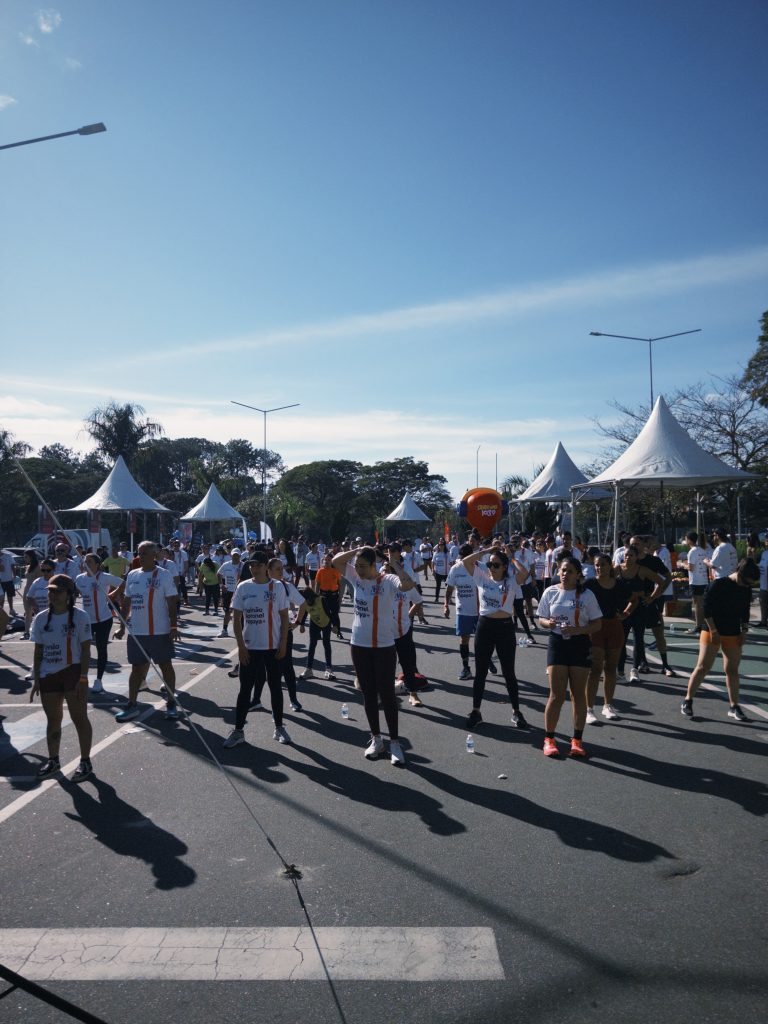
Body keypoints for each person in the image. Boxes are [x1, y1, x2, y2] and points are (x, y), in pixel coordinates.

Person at [332, 546, 418, 766]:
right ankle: (376, 739)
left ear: (374, 565)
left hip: (384, 646)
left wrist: (394, 562)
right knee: (368, 694)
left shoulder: (387, 580)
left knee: (387, 695)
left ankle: (395, 743)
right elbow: (336, 561)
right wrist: (357, 550)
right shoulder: (356, 578)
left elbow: (407, 585)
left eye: (363, 566)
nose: (359, 570)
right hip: (359, 645)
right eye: (357, 566)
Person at [536, 556, 603, 757]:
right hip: (557, 644)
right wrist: (549, 624)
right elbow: (541, 619)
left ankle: (577, 741)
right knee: (556, 695)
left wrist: (578, 630)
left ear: (578, 575)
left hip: (579, 645)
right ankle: (549, 739)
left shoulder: (587, 595)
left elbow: (597, 624)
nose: (565, 574)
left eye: (570, 571)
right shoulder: (550, 591)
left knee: (577, 695)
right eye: (563, 570)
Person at [29, 574, 94, 782]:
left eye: (58, 591)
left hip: (72, 672)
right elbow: (38, 650)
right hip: (48, 675)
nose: (53, 595)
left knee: (79, 718)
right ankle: (53, 759)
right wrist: (36, 677)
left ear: (69, 594)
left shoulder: (80, 616)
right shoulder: (41, 618)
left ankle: (85, 761)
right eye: (50, 591)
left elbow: (86, 650)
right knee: (53, 720)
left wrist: (83, 678)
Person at [224, 551, 290, 747]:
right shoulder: (243, 587)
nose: (254, 568)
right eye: (252, 565)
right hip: (250, 647)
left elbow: (284, 616)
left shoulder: (277, 586)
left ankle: (279, 727)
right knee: (245, 689)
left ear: (266, 566)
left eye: (258, 565)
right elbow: (236, 618)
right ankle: (238, 731)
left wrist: (284, 642)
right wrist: (240, 647)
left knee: (275, 687)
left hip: (273, 647)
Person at [681, 559, 760, 722]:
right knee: (703, 667)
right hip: (711, 629)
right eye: (746, 582)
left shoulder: (745, 589)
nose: (747, 586)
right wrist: (714, 631)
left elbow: (745, 611)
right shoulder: (718, 584)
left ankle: (734, 706)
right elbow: (706, 609)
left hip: (733, 631)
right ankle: (688, 700)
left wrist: (744, 630)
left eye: (750, 584)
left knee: (732, 669)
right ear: (739, 573)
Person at [461, 546, 530, 730]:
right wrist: (487, 550)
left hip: (505, 628)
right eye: (490, 564)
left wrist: (511, 557)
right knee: (480, 672)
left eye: (496, 565)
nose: (492, 568)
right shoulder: (481, 577)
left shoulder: (512, 581)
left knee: (509, 673)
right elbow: (466, 561)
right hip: (485, 627)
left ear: (505, 566)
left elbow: (525, 572)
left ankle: (516, 712)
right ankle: (476, 712)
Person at [115, 541, 180, 722]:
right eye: (139, 553)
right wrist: (122, 627)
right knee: (136, 668)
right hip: (137, 631)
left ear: (154, 555)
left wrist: (173, 627)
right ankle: (132, 704)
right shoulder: (132, 575)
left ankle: (171, 702)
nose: (140, 557)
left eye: (144, 553)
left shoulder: (164, 574)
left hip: (160, 631)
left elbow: (172, 603)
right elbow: (127, 602)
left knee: (165, 665)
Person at [585, 554, 638, 722]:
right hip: (595, 628)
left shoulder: (619, 584)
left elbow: (634, 599)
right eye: (597, 565)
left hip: (615, 627)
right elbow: (578, 600)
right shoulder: (589, 584)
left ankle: (607, 706)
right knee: (595, 669)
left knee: (611, 668)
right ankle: (589, 709)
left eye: (603, 564)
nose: (599, 568)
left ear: (610, 566)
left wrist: (626, 613)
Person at [75, 554, 124, 693]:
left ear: (97, 564)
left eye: (90, 562)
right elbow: (76, 592)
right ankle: (82, 678)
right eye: (85, 562)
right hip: (87, 621)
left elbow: (123, 583)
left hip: (104, 620)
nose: (86, 564)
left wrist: (113, 595)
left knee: (101, 649)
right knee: (82, 650)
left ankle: (99, 680)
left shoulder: (104, 577)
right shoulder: (79, 579)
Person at [386, 543, 428, 707]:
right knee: (386, 665)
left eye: (388, 571)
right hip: (384, 633)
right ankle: (387, 694)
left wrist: (409, 616)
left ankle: (413, 694)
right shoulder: (381, 586)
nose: (386, 574)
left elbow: (418, 601)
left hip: (403, 630)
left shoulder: (406, 585)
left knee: (408, 664)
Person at [268, 557, 307, 711]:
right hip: (266, 634)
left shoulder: (286, 586)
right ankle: (260, 701)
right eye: (277, 569)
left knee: (287, 667)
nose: (281, 571)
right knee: (269, 671)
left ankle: (293, 700)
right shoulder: (261, 586)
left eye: (282, 568)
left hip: (284, 632)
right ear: (268, 571)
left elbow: (303, 603)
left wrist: (297, 622)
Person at [297, 589, 336, 680]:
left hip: (326, 622)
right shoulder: (305, 603)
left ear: (309, 598)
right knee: (312, 645)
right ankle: (308, 669)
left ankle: (329, 669)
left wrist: (335, 625)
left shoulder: (321, 600)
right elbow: (305, 612)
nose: (303, 603)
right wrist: (302, 625)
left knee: (326, 644)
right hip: (314, 623)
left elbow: (330, 612)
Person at [679, 532, 711, 632]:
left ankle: (698, 626)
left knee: (697, 604)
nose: (685, 541)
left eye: (686, 539)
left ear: (689, 540)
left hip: (696, 581)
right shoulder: (702, 550)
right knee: (701, 604)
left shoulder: (692, 552)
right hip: (704, 580)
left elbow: (691, 568)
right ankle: (704, 625)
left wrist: (682, 564)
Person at [315, 553, 344, 639]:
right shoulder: (320, 571)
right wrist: (316, 596)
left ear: (332, 561)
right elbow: (318, 584)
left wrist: (340, 597)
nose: (327, 561)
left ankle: (338, 631)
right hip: (324, 596)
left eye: (328, 560)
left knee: (335, 614)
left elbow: (340, 584)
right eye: (325, 560)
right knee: (323, 615)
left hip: (334, 596)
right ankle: (320, 632)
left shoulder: (336, 571)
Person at [217, 548, 243, 637]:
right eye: (234, 555)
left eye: (237, 555)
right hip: (228, 592)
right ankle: (224, 630)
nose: (235, 557)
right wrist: (221, 585)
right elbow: (218, 574)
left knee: (240, 612)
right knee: (227, 612)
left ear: (240, 556)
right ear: (231, 556)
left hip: (239, 592)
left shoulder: (243, 565)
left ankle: (242, 631)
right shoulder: (226, 565)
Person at [21, 549, 42, 638]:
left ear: (31, 557)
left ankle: (40, 631)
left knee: (38, 612)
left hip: (36, 592)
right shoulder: (28, 567)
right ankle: (26, 632)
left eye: (26, 557)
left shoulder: (39, 567)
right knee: (28, 613)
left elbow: (41, 580)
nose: (24, 558)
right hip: (27, 592)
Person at [431, 537, 452, 602]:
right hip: (438, 573)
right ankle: (436, 598)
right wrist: (432, 570)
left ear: (444, 546)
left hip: (446, 573)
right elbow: (433, 562)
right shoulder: (436, 553)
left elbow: (451, 562)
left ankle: (449, 599)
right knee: (438, 586)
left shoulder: (447, 553)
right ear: (438, 546)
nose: (441, 546)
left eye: (442, 545)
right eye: (440, 545)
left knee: (448, 587)